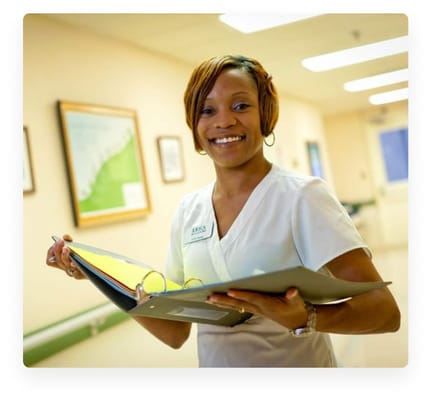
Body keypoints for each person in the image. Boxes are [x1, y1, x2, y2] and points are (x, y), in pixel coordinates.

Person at [46, 55, 400, 367]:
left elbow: (385, 312)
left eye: (241, 106)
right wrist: (95, 275)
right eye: (207, 110)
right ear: (195, 128)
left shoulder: (302, 196)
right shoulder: (189, 212)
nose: (224, 121)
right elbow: (175, 331)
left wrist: (307, 315)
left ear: (266, 114)